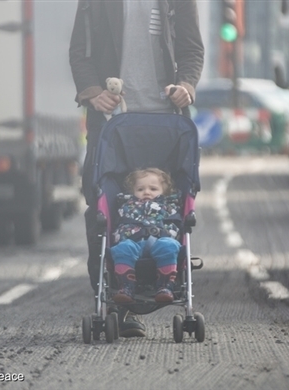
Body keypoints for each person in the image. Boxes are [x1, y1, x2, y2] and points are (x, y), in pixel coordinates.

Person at [69, 0, 204, 338]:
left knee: (170, 203)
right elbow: (79, 52)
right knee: (102, 204)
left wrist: (187, 86)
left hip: (166, 124)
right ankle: (116, 303)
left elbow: (191, 49)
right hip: (113, 122)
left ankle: (166, 280)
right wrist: (92, 93)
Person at [111, 168, 181, 304]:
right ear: (133, 192)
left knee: (169, 246)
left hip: (160, 240)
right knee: (122, 248)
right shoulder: (126, 205)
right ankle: (126, 287)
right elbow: (120, 225)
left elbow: (175, 225)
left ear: (164, 192)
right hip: (133, 241)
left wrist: (168, 234)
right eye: (140, 189)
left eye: (153, 189)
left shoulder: (169, 206)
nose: (146, 192)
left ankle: (165, 286)